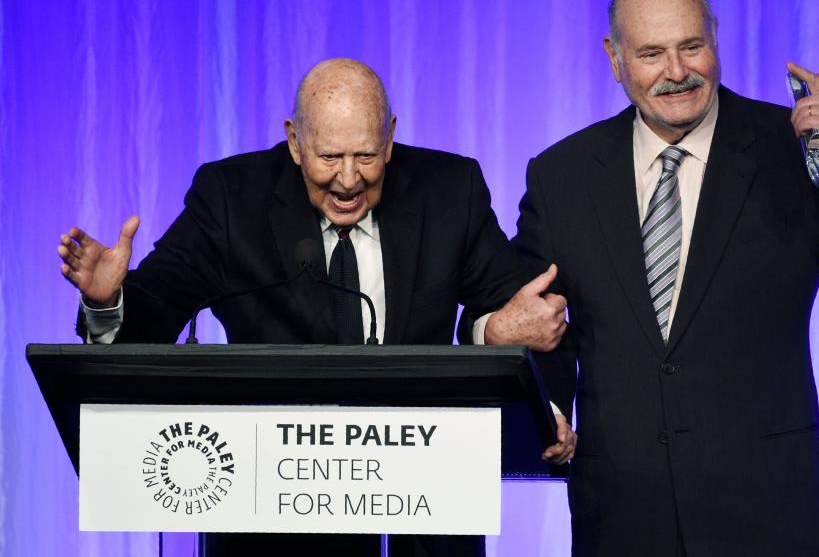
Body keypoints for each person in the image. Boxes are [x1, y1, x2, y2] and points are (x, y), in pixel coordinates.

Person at [57, 58, 574, 557]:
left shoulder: (448, 190)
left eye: (366, 156)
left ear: (390, 137)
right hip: (270, 526)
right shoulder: (231, 199)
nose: (348, 180)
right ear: (294, 141)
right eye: (329, 157)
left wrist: (525, 384)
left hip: (422, 521)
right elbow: (157, 311)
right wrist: (109, 301)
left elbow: (525, 311)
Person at [505, 0, 819, 555]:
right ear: (615, 58)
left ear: (716, 37)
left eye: (692, 46)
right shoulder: (562, 175)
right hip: (622, 516)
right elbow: (535, 320)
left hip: (768, 514)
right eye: (652, 53)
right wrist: (546, 410)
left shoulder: (791, 149)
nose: (677, 72)